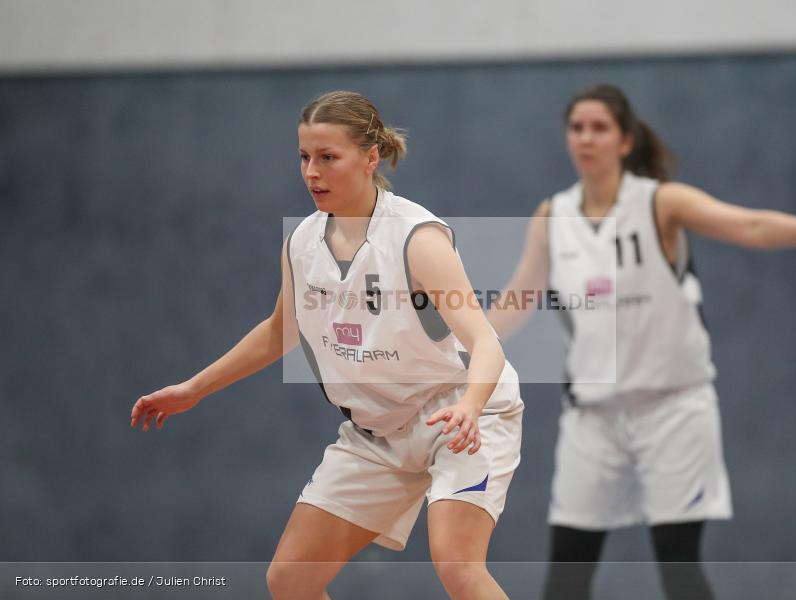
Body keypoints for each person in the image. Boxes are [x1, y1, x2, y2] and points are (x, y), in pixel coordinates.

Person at [486, 83, 796, 600]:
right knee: (566, 576)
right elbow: (518, 299)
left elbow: (751, 226)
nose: (586, 138)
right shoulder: (553, 215)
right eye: (576, 127)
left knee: (679, 567)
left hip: (673, 408)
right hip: (593, 415)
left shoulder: (660, 202)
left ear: (626, 140)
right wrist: (463, 347)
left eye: (599, 128)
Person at [131, 90, 524, 600]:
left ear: (370, 158)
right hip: (377, 431)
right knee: (290, 580)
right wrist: (194, 388)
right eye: (304, 158)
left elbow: (485, 342)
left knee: (457, 565)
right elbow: (279, 331)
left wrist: (471, 407)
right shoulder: (301, 244)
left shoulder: (416, 238)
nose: (311, 172)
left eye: (327, 158)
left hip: (460, 416)